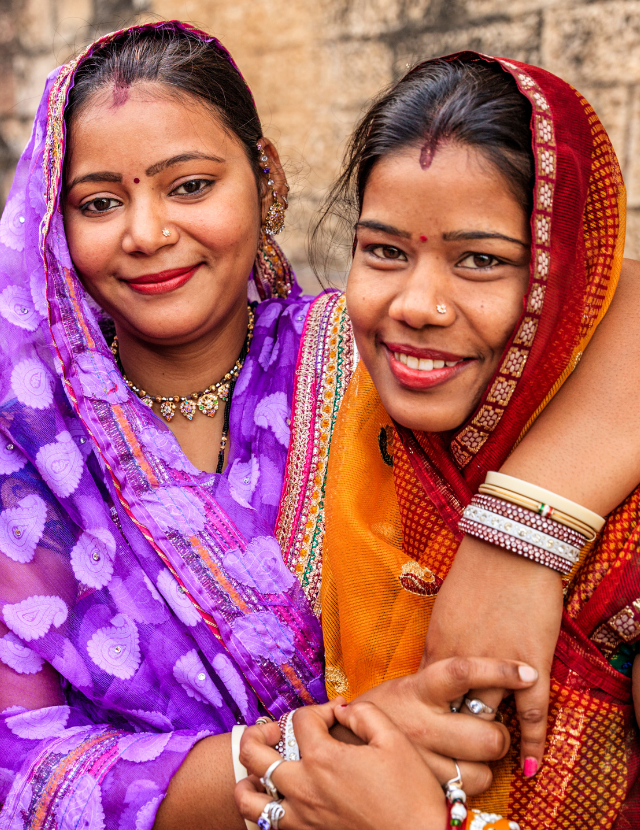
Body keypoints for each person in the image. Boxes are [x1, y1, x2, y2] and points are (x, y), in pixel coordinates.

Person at [0, 20, 638, 830]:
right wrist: (300, 759)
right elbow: (14, 757)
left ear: (265, 179)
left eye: (190, 185)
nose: (148, 232)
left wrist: (516, 541)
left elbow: (604, 306)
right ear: (54, 228)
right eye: (99, 202)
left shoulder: (381, 354)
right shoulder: (29, 449)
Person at [313, 53, 640, 828]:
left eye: (482, 261)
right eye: (385, 251)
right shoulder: (318, 406)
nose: (418, 304)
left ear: (569, 277)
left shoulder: (626, 545)